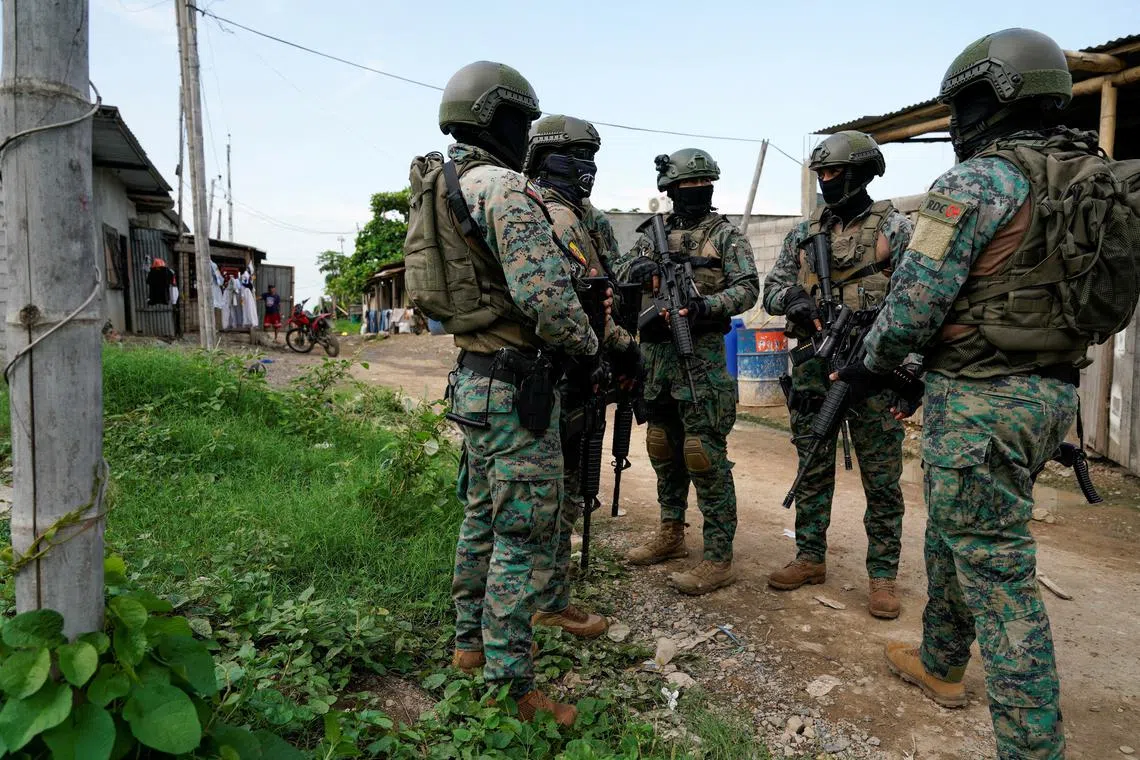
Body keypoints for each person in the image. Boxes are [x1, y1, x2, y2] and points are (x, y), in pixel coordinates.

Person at [835, 28, 1095, 758]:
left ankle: (1032, 746)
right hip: (1051, 395)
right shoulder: (1083, 174)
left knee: (998, 572)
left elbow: (914, 305)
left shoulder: (981, 181)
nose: (955, 123)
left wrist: (873, 363)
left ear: (996, 97)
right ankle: (942, 662)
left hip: (982, 399)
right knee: (957, 535)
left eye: (964, 104)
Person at [411, 60, 601, 727]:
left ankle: (469, 649)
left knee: (481, 521)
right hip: (519, 384)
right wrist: (591, 348)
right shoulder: (503, 187)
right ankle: (511, 686)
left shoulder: (444, 182)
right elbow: (547, 298)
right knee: (521, 534)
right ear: (498, 117)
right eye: (522, 118)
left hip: (473, 377)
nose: (527, 133)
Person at [761, 131, 914, 619]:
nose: (825, 182)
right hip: (813, 365)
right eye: (820, 174)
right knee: (812, 464)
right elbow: (772, 290)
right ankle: (809, 556)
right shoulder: (805, 233)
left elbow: (922, 300)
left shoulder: (898, 229)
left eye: (832, 173)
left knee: (882, 477)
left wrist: (911, 371)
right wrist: (795, 301)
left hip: (873, 369)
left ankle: (884, 576)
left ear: (860, 173)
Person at [615, 148, 758, 595]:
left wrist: (704, 306)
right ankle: (671, 532)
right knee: (661, 446)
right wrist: (636, 270)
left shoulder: (726, 236)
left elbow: (748, 288)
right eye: (686, 186)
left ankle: (718, 556)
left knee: (703, 453)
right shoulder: (649, 235)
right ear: (670, 191)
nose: (696, 192)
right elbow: (621, 274)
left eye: (703, 185)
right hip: (657, 360)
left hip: (701, 359)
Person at [523, 114, 641, 640]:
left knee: (565, 485)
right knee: (557, 490)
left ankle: (547, 591)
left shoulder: (580, 213)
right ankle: (546, 599)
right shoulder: (546, 212)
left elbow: (609, 284)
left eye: (592, 157)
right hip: (561, 367)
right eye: (576, 158)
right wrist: (622, 348)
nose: (587, 169)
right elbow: (581, 298)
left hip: (577, 365)